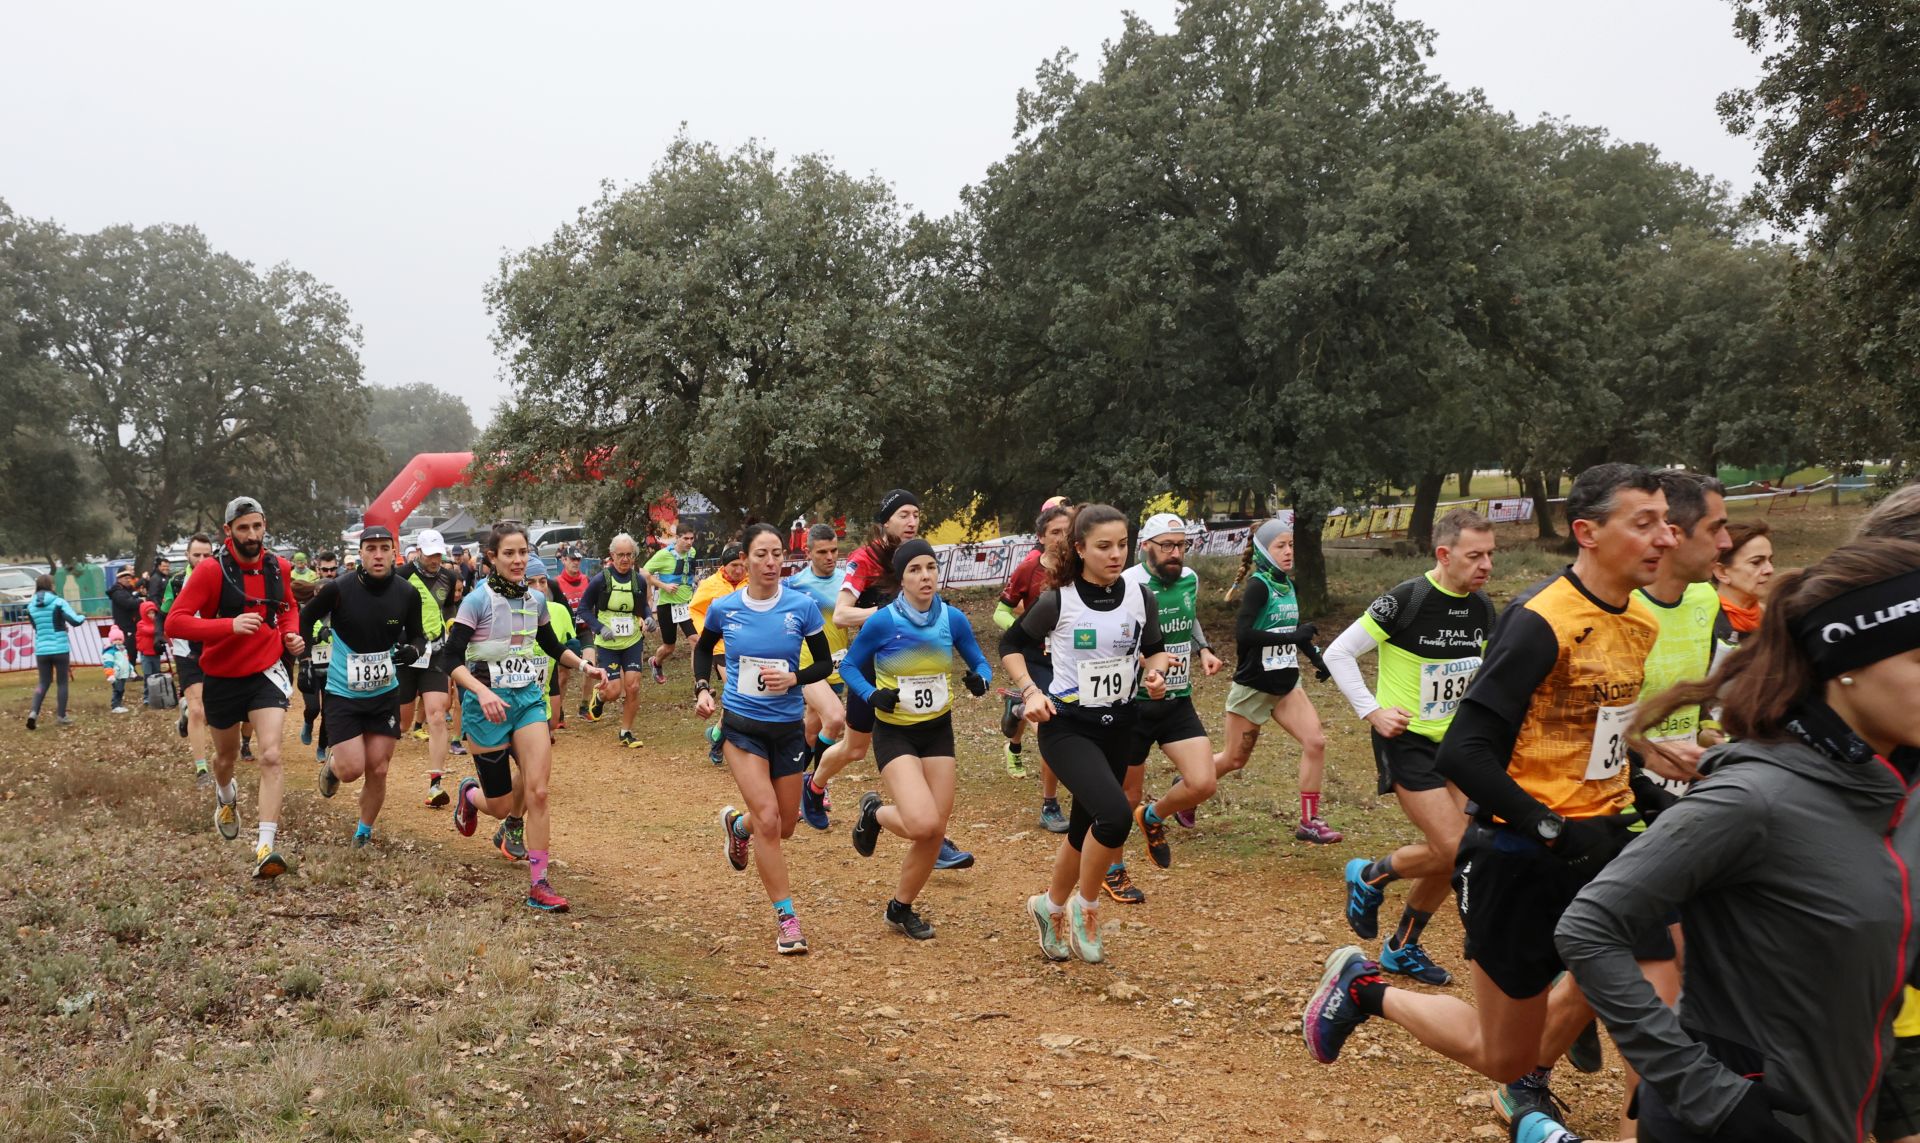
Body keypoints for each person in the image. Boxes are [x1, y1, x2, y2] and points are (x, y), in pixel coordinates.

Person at [1302, 463, 1676, 1135]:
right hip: (1518, 853)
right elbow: (1465, 750)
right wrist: (1547, 825)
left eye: (1668, 522)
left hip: (1604, 846)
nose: (1665, 538)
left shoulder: (1640, 623)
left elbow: (1596, 738)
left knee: (1662, 987)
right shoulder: (1538, 620)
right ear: (1586, 532)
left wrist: (1646, 793)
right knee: (1507, 1053)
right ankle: (1366, 987)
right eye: (1643, 522)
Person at [1557, 536, 1920, 1143]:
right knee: (1505, 1050)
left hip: (1840, 1118)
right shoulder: (1755, 797)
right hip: (1729, 1125)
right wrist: (1704, 1092)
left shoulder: (1894, 797)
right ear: (1845, 664)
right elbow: (1589, 926)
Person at [1324, 507, 1496, 988]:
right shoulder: (1409, 598)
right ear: (1444, 554)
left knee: (1468, 851)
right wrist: (1372, 710)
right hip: (1408, 742)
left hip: (1461, 745)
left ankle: (1402, 945)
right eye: (1475, 556)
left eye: (1491, 555)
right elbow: (1338, 652)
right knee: (1459, 847)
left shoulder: (1483, 609)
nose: (1486, 566)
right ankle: (1370, 875)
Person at [1000, 504, 1170, 964]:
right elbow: (1010, 645)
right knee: (1114, 817)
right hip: (1067, 726)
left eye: (1122, 545)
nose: (1116, 555)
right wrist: (1031, 691)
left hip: (1119, 723)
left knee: (1083, 829)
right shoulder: (1059, 599)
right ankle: (1086, 907)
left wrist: (1154, 674)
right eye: (1103, 546)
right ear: (1079, 548)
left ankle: (1049, 907)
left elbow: (1153, 652)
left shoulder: (1141, 596)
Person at [441, 522, 606, 911]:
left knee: (539, 791)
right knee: (499, 806)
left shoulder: (537, 601)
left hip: (528, 701)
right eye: (509, 553)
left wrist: (585, 666)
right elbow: (450, 658)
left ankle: (539, 884)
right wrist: (480, 692)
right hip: (487, 707)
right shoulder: (476, 601)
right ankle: (470, 794)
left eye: (523, 552)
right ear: (492, 559)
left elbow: (551, 646)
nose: (518, 560)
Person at [694, 523, 837, 954]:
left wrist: (795, 677)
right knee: (770, 821)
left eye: (777, 553)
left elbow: (825, 663)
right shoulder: (725, 607)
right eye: (761, 554)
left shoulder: (802, 606)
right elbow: (704, 648)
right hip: (742, 728)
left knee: (786, 824)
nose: (771, 562)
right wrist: (703, 687)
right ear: (746, 560)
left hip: (788, 729)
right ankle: (787, 918)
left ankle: (739, 826)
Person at [813, 491, 975, 870]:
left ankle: (934, 836)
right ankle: (816, 784)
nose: (911, 521)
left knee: (917, 754)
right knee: (854, 749)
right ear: (885, 521)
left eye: (916, 514)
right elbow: (840, 615)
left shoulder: (919, 554)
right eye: (903, 514)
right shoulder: (865, 558)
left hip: (916, 673)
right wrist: (889, 615)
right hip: (871, 668)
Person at [840, 538, 993, 938]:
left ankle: (900, 908)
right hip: (895, 731)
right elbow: (850, 668)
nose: (925, 577)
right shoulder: (884, 622)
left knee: (934, 830)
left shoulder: (952, 619)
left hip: (937, 730)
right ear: (901, 578)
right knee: (923, 823)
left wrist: (982, 679)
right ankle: (874, 814)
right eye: (915, 570)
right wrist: (873, 694)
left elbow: (978, 660)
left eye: (930, 568)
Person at [164, 495, 307, 880]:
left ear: (265, 526)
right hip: (222, 675)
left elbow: (288, 607)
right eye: (243, 528)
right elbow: (174, 623)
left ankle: (266, 846)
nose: (252, 534)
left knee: (272, 755)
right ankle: (226, 797)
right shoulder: (211, 572)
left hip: (266, 670)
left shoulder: (278, 566)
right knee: (224, 759)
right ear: (228, 531)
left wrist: (291, 634)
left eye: (257, 526)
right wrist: (227, 626)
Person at [1090, 513, 1225, 905]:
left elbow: (1189, 612)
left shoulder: (1190, 579)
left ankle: (1153, 816)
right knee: (1124, 796)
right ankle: (1113, 871)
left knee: (1203, 783)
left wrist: (1203, 648)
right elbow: (1112, 639)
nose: (1175, 553)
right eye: (1166, 545)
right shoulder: (1128, 583)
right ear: (1145, 546)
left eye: (1181, 545)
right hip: (1134, 703)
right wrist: (1148, 667)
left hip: (1177, 699)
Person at [1212, 515, 1342, 844]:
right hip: (1254, 686)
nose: (1288, 552)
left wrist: (1317, 659)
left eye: (1291, 545)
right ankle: (1188, 787)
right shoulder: (1259, 586)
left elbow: (1292, 633)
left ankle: (1309, 821)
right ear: (1262, 551)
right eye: (1280, 546)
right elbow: (1244, 635)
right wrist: (1293, 636)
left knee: (1316, 742)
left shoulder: (1288, 584)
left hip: (1286, 684)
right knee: (1233, 759)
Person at [299, 525, 428, 848]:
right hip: (343, 694)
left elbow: (418, 635)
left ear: (394, 552)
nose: (378, 555)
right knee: (351, 770)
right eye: (371, 548)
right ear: (361, 553)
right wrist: (303, 653)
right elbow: (305, 616)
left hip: (384, 693)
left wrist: (414, 650)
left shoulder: (406, 593)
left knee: (380, 768)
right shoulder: (338, 589)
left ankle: (363, 832)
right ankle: (333, 765)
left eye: (385, 548)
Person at [994, 503, 1074, 832]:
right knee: (1053, 727)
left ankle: (1017, 709)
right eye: (1055, 532)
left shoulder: (1082, 568)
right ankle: (1050, 804)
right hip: (1037, 659)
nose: (1062, 539)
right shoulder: (1029, 569)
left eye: (1068, 532)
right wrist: (1026, 626)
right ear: (1041, 537)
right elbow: (1001, 611)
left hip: (1071, 659)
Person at [789, 524, 850, 831]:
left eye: (834, 551)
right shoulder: (796, 584)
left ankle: (790, 788)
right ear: (807, 552)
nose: (829, 557)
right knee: (836, 719)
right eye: (822, 552)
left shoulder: (847, 583)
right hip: (809, 667)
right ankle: (816, 785)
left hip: (838, 666)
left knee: (813, 730)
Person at [398, 529, 463, 806]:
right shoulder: (400, 576)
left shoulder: (448, 577)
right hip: (406, 653)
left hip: (435, 653)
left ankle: (435, 785)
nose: (435, 559)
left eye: (439, 553)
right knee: (400, 723)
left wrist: (450, 626)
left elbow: (448, 608)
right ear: (419, 552)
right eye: (430, 554)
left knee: (437, 714)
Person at [578, 532, 652, 748]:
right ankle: (599, 698)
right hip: (608, 643)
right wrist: (600, 627)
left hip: (632, 640)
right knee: (613, 691)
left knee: (634, 686)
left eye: (629, 555)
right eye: (620, 555)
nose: (625, 559)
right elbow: (584, 609)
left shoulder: (638, 580)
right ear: (612, 555)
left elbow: (643, 605)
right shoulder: (601, 579)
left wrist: (648, 617)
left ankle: (626, 732)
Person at [159, 534, 217, 783]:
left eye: (207, 555)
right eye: (197, 555)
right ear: (187, 556)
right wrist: (160, 635)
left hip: (214, 649)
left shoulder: (221, 578)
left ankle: (183, 714)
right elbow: (165, 614)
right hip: (187, 652)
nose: (202, 560)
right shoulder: (177, 581)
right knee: (197, 710)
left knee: (212, 710)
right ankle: (201, 768)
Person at [689, 542, 748, 764]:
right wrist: (708, 633)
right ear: (724, 565)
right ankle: (720, 742)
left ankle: (716, 734)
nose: (739, 570)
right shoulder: (710, 585)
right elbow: (694, 609)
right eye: (734, 565)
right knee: (737, 689)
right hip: (720, 648)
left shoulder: (751, 582)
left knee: (739, 694)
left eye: (742, 565)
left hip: (746, 647)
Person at [25, 574, 86, 729]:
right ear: (50, 585)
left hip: (42, 649)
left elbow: (36, 627)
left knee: (43, 682)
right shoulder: (58, 602)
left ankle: (33, 712)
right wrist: (82, 616)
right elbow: (74, 621)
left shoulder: (30, 606)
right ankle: (61, 715)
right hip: (60, 648)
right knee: (62, 683)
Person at [643, 524, 699, 684]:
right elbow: (644, 572)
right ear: (677, 538)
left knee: (696, 640)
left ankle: (700, 684)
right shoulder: (663, 555)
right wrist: (663, 586)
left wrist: (697, 581)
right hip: (667, 605)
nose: (689, 542)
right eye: (685, 538)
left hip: (686, 605)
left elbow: (687, 574)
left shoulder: (692, 552)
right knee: (669, 647)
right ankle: (656, 662)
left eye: (692, 538)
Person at [528, 558, 578, 732]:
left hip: (547, 677)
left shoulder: (558, 610)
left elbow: (560, 646)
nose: (539, 587)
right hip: (515, 683)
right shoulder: (507, 611)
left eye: (542, 581)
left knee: (552, 722)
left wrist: (580, 658)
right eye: (530, 582)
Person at [1711, 519, 1773, 653]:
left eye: (1770, 560)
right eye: (1756, 562)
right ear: (1722, 572)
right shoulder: (1705, 623)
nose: (1770, 569)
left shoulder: (1773, 618)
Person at [547, 547, 590, 727]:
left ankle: (584, 706)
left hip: (584, 629)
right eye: (572, 559)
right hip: (565, 632)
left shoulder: (586, 580)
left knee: (590, 665)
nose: (575, 563)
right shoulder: (555, 583)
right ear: (563, 560)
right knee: (563, 675)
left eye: (578, 560)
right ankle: (560, 711)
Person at [108, 566, 143, 649]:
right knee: (128, 653)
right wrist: (141, 601)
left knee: (133, 652)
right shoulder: (117, 592)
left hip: (133, 627)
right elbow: (128, 603)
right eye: (125, 578)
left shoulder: (130, 590)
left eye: (129, 578)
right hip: (124, 628)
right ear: (119, 579)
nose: (128, 580)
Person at [103, 628, 136, 713]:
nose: (118, 641)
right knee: (117, 690)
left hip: (123, 674)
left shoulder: (123, 650)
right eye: (115, 639)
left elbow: (127, 662)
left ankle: (119, 704)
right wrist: (110, 674)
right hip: (116, 675)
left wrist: (131, 670)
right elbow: (108, 663)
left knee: (121, 689)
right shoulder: (110, 652)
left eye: (120, 639)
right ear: (111, 640)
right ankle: (115, 706)